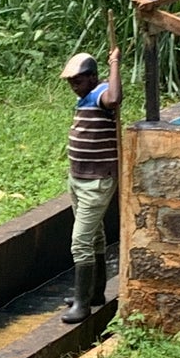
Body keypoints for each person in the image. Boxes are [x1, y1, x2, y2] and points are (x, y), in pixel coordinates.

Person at [62, 45, 121, 321]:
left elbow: (115, 98)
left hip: (97, 181)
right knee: (95, 235)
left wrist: (115, 64)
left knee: (80, 241)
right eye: (71, 82)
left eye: (78, 81)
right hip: (78, 178)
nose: (74, 86)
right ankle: (94, 293)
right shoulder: (85, 97)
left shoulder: (100, 94)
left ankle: (82, 306)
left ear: (92, 77)